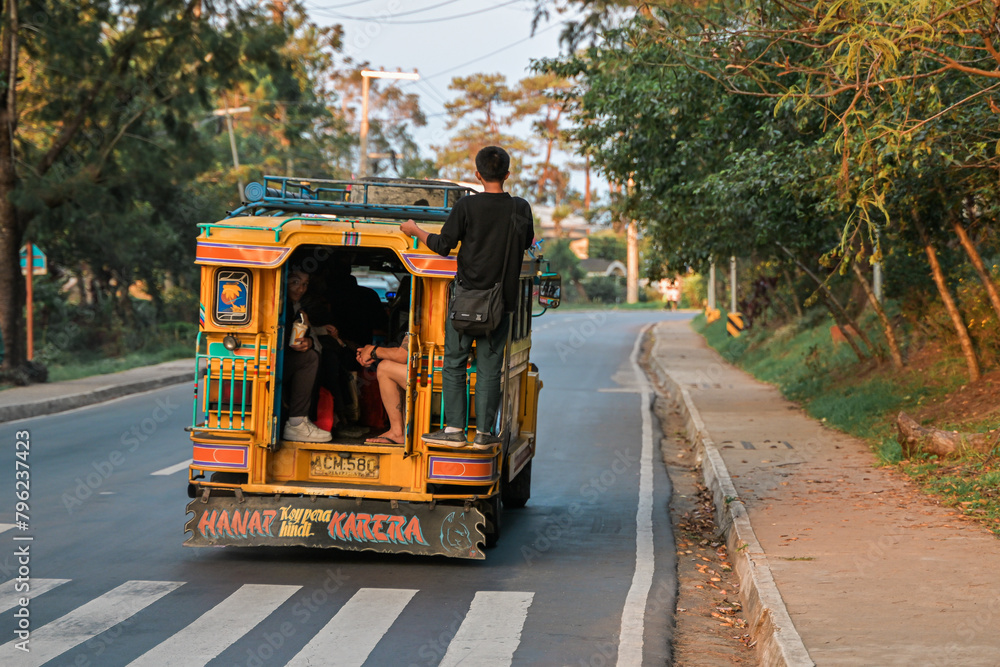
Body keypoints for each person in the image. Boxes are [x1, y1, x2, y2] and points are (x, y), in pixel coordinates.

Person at [400, 146, 534, 450]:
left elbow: (442, 246)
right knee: (489, 368)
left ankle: (454, 431)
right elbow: (526, 242)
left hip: (464, 302)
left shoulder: (466, 206)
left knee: (454, 364)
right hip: (501, 305)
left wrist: (415, 230)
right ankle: (484, 434)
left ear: (477, 175)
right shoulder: (520, 207)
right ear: (507, 174)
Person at [281, 267, 332, 443]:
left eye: (305, 284)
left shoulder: (298, 308)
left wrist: (308, 341)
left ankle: (300, 421)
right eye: (295, 282)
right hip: (268, 363)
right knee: (310, 358)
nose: (300, 289)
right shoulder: (279, 305)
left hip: (283, 361)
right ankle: (296, 423)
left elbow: (301, 334)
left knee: (314, 355)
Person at [355, 333, 411, 445]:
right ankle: (400, 431)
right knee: (389, 364)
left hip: (436, 376)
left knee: (385, 368)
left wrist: (372, 351)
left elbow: (402, 356)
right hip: (438, 374)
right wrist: (373, 353)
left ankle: (397, 432)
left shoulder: (424, 321)